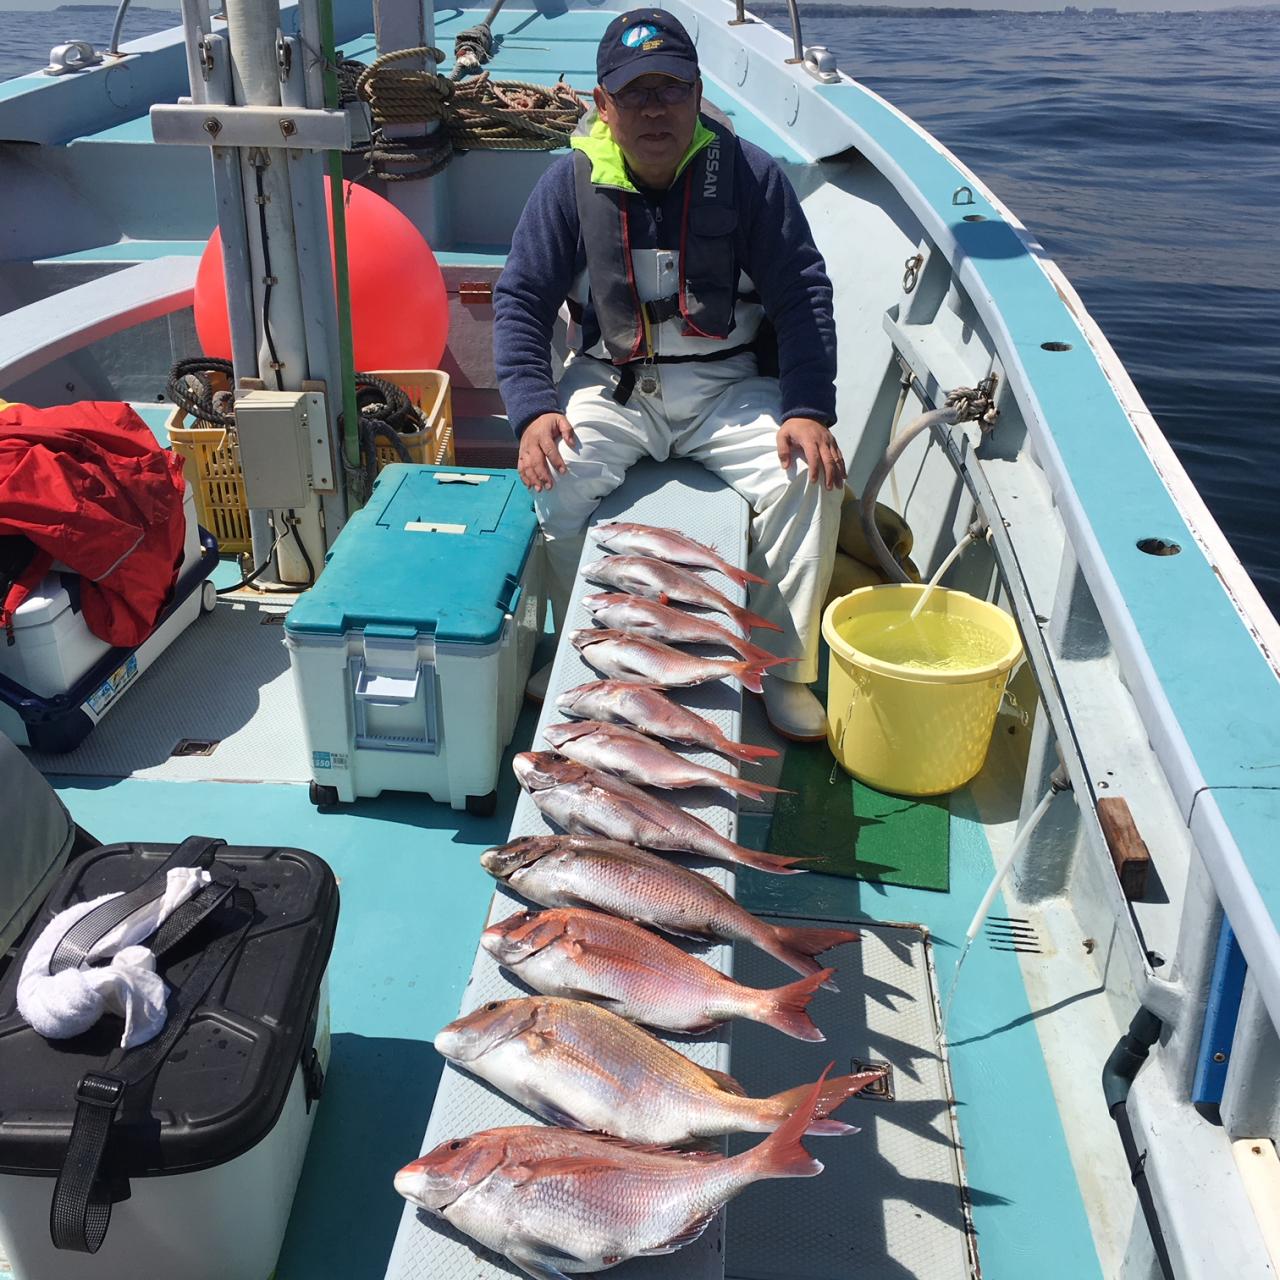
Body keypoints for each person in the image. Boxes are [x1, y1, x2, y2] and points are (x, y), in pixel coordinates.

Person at [493, 8, 845, 741]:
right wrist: (531, 409)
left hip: (729, 386)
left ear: (697, 94)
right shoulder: (566, 186)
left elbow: (802, 293)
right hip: (612, 384)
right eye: (634, 93)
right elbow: (521, 299)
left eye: (671, 89)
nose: (654, 108)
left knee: (808, 477)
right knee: (554, 475)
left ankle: (782, 668)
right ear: (604, 104)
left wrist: (808, 408)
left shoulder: (750, 176)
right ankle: (580, 641)